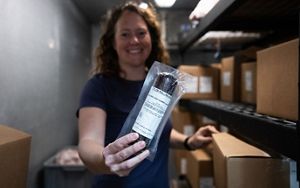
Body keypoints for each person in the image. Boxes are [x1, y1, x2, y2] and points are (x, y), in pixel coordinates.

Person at [77, 1, 219, 188]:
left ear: (151, 37)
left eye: (141, 33)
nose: (134, 40)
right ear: (113, 42)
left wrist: (188, 141)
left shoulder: (161, 84)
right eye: (125, 34)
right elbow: (88, 142)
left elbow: (158, 132)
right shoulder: (99, 86)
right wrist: (107, 160)